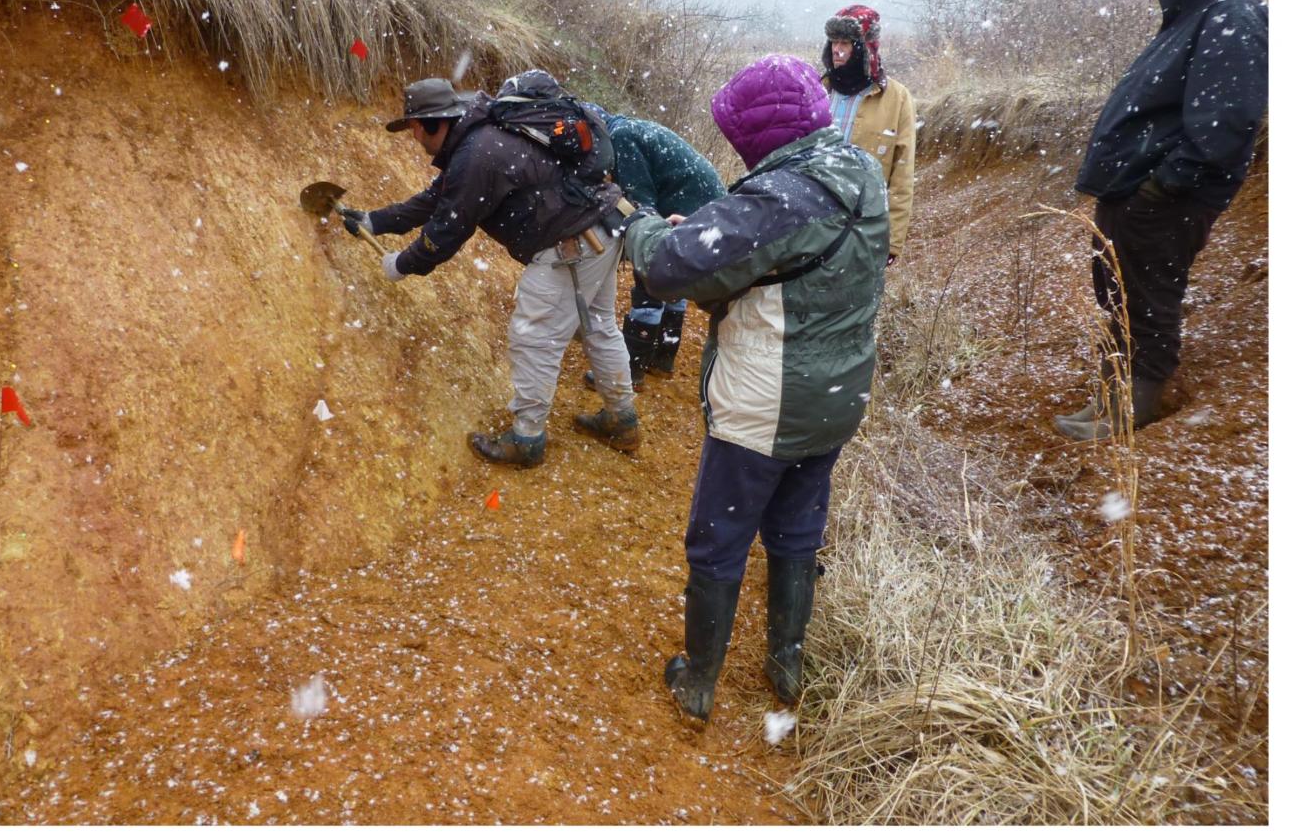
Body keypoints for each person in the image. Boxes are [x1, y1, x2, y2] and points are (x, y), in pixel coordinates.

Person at [622, 55, 889, 722]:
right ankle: (786, 663)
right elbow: (791, 266)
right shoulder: (861, 172)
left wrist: (641, 225)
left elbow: (668, 267)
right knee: (797, 526)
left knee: (718, 535)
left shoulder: (782, 196)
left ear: (763, 135)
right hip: (839, 392)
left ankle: (699, 681)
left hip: (769, 400)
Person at [337, 73, 641, 467]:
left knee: (534, 336)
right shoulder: (483, 138)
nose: (413, 138)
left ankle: (526, 439)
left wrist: (401, 263)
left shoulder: (477, 152)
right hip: (602, 224)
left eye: (414, 128)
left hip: (571, 244)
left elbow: (447, 230)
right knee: (598, 324)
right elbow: (438, 197)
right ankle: (622, 419)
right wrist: (375, 221)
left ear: (436, 122)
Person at [1054, 0, 1268, 441]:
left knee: (1148, 295)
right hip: (1137, 189)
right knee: (1118, 294)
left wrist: (1162, 187)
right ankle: (1111, 394)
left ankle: (1137, 404)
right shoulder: (1200, 9)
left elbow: (1225, 122)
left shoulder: (1233, 14)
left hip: (1165, 195)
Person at [581, 109, 726, 387]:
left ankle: (631, 370)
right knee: (675, 276)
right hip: (708, 206)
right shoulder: (632, 128)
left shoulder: (621, 138)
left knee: (651, 273)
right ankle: (662, 359)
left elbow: (642, 204)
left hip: (692, 204)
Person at [820, 4, 918, 264]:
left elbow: (902, 176)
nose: (837, 50)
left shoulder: (896, 98)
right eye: (833, 42)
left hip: (862, 229)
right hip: (812, 225)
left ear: (864, 48)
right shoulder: (816, 91)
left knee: (851, 303)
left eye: (846, 43)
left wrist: (892, 241)